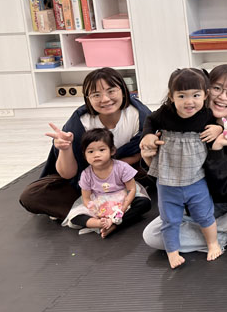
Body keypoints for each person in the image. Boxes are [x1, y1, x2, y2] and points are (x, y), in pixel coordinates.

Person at [141, 65, 227, 252]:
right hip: (198, 201)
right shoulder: (183, 122)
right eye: (217, 88)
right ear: (205, 90)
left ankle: (210, 234)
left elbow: (226, 188)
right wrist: (149, 158)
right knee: (153, 235)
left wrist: (217, 148)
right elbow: (168, 182)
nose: (223, 97)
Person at [20, 68, 150, 222]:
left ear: (123, 91)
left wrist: (111, 168)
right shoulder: (80, 122)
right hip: (86, 178)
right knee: (31, 196)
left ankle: (92, 216)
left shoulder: (138, 116)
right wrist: (65, 149)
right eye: (96, 95)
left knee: (154, 172)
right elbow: (67, 174)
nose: (105, 99)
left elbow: (144, 152)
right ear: (88, 99)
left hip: (123, 175)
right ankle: (108, 214)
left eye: (111, 91)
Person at [140, 68, 223, 268]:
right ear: (171, 96)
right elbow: (150, 120)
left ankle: (213, 243)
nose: (189, 102)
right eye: (182, 96)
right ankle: (172, 252)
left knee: (205, 215)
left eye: (195, 95)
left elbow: (222, 123)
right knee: (169, 220)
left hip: (196, 178)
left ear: (205, 95)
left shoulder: (206, 115)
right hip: (167, 181)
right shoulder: (165, 114)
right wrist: (148, 135)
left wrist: (218, 128)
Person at [66, 128, 150, 238]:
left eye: (101, 150)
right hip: (99, 203)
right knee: (75, 217)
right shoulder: (86, 174)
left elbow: (131, 189)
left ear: (112, 151)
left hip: (123, 199)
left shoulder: (122, 167)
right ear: (84, 155)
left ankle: (114, 224)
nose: (96, 155)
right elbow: (86, 198)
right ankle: (99, 223)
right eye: (90, 151)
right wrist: (96, 212)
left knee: (144, 203)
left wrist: (122, 208)